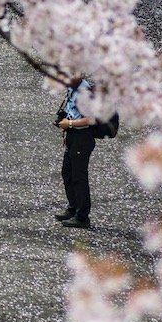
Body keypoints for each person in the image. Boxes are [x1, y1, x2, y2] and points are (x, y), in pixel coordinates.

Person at [56, 77, 97, 229]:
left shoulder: (84, 91)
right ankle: (73, 208)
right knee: (67, 172)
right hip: (73, 135)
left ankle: (82, 217)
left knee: (79, 177)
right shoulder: (72, 87)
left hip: (83, 137)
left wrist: (70, 123)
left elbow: (91, 119)